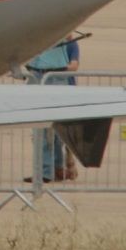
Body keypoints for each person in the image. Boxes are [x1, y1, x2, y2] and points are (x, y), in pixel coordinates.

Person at [27, 33, 81, 182]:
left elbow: (74, 65)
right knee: (42, 130)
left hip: (55, 78)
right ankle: (50, 170)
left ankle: (49, 170)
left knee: (52, 130)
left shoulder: (69, 42)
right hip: (37, 75)